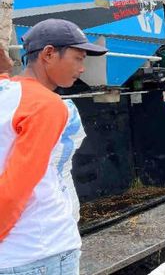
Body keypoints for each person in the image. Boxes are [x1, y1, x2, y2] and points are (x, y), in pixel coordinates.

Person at [0, 19, 107, 274]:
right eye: (78, 58)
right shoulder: (46, 104)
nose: (82, 68)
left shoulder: (6, 91)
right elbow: (16, 188)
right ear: (49, 54)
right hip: (40, 252)